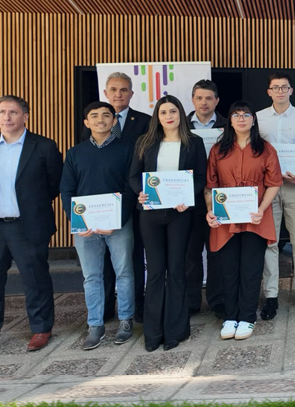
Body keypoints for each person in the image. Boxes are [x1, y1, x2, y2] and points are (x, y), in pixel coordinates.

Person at [129, 95, 207, 352]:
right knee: (154, 271)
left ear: (180, 114)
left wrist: (188, 197)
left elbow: (200, 177)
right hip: (150, 214)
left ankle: (175, 330)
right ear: (157, 117)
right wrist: (140, 192)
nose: (168, 116)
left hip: (180, 214)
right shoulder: (145, 142)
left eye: (173, 111)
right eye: (163, 112)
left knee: (176, 269)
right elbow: (134, 176)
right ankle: (153, 333)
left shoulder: (193, 142)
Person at [0, 95, 63, 354]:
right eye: (2, 112)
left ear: (25, 116)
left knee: (35, 279)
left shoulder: (44, 146)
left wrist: (32, 207)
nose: (7, 117)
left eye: (13, 112)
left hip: (28, 225)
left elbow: (54, 184)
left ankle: (41, 328)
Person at [60, 101, 135, 350]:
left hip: (118, 225)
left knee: (124, 272)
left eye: (106, 115)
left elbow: (130, 188)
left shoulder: (126, 150)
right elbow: (67, 189)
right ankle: (95, 324)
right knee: (91, 276)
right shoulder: (75, 153)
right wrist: (77, 221)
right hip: (86, 227)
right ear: (86, 122)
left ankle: (126, 320)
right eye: (94, 116)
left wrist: (117, 220)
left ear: (114, 121)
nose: (100, 119)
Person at [206, 101, 282, 341]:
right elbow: (210, 185)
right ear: (229, 120)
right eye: (236, 115)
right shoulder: (218, 150)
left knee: (251, 269)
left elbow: (274, 183)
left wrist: (261, 209)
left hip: (255, 217)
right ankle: (231, 316)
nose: (241, 119)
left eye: (246, 114)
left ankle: (248, 317)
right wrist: (210, 210)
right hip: (226, 219)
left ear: (253, 119)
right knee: (229, 269)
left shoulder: (265, 149)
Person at [81, 72, 151, 324]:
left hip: (134, 200)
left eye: (123, 90)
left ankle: (136, 307)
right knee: (104, 261)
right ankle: (107, 308)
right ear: (106, 93)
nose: (118, 94)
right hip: (100, 204)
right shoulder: (95, 121)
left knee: (133, 259)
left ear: (131, 93)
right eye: (113, 89)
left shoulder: (145, 121)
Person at [257, 73, 295, 318]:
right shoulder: (257, 118)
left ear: (291, 90)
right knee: (270, 242)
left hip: (293, 187)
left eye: (284, 87)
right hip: (267, 189)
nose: (280, 91)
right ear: (269, 91)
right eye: (275, 87)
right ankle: (271, 296)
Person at [185, 79, 228, 318]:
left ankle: (217, 299)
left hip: (218, 195)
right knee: (191, 253)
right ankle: (192, 301)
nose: (204, 102)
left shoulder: (227, 125)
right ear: (193, 100)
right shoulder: (180, 124)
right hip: (189, 196)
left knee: (217, 251)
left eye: (209, 98)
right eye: (199, 98)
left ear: (217, 101)